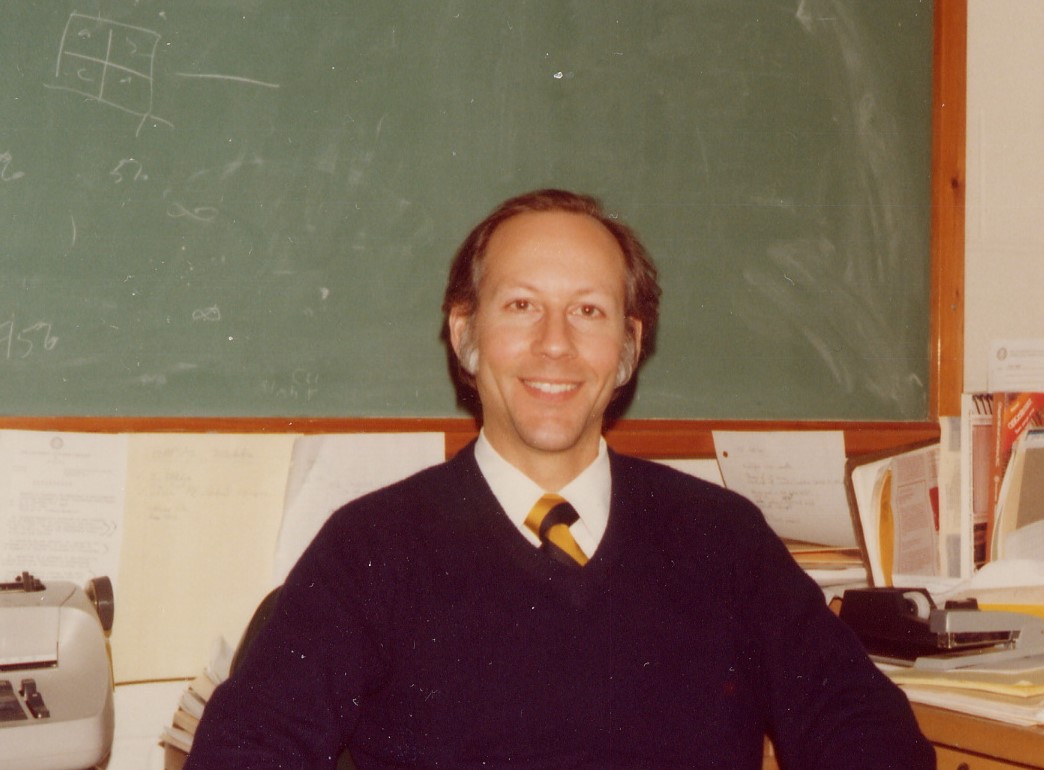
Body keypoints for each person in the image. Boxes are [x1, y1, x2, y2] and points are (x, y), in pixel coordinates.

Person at [185, 189, 934, 769]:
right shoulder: (373, 548)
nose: (555, 345)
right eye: (521, 307)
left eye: (588, 310)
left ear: (630, 348)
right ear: (465, 336)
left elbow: (860, 722)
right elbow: (247, 751)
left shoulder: (721, 537)